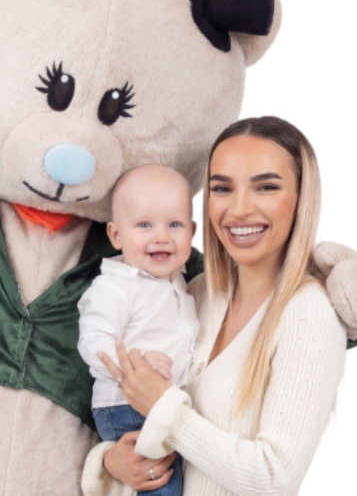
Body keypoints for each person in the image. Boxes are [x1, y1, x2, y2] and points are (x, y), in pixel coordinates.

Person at [81, 114, 348, 496]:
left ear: (301, 199)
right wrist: (109, 462)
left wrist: (164, 407)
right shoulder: (196, 293)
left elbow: (276, 478)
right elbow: (159, 445)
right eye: (222, 188)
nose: (239, 209)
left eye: (266, 187)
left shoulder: (309, 313)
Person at [77, 165, 200, 496]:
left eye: (174, 224)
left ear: (193, 232)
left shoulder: (179, 282)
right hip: (127, 405)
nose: (161, 236)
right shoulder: (115, 287)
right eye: (144, 225)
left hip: (159, 405)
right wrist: (138, 363)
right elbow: (94, 342)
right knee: (161, 486)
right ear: (117, 235)